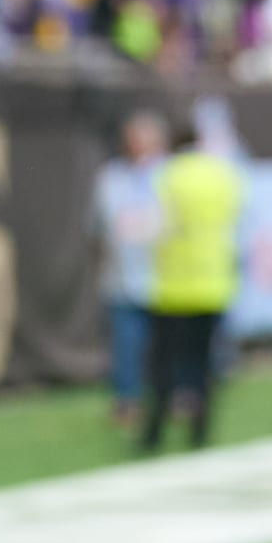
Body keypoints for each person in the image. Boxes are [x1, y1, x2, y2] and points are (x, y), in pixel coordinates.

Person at [138, 122, 243, 452]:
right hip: (214, 285)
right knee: (204, 363)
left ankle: (154, 432)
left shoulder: (167, 176)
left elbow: (155, 225)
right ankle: (201, 430)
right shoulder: (221, 175)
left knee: (163, 366)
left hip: (173, 288)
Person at [88, 109, 169, 425]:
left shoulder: (170, 175)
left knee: (164, 345)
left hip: (166, 280)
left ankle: (168, 396)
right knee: (126, 345)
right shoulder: (111, 178)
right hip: (122, 279)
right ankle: (127, 400)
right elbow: (95, 229)